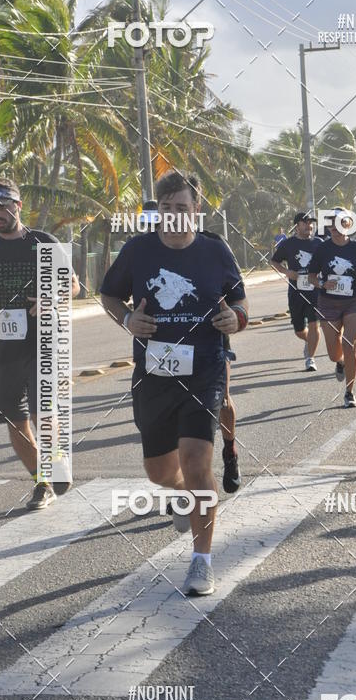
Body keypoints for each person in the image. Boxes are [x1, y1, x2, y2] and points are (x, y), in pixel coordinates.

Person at [100, 171, 248, 597]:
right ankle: (180, 494)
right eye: (167, 209)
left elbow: (239, 303)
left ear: (196, 209)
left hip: (203, 369)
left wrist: (234, 319)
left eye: (182, 208)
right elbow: (109, 296)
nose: (175, 216)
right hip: (154, 374)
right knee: (161, 472)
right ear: (158, 211)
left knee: (198, 459)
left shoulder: (215, 250)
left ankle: (201, 561)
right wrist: (128, 320)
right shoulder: (138, 250)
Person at [0, 178, 79, 509]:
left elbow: (73, 286)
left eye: (2, 206)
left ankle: (56, 458)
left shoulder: (43, 241)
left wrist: (53, 298)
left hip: (43, 342)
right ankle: (41, 482)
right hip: (3, 347)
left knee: (43, 411)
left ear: (17, 205)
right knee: (13, 419)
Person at [308, 210, 356, 407]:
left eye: (339, 224)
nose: (334, 229)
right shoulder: (322, 249)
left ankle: (349, 392)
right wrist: (321, 284)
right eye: (331, 225)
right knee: (333, 354)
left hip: (354, 300)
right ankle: (341, 362)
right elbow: (312, 276)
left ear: (348, 224)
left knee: (349, 344)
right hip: (328, 303)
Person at [201, 227, 243, 493]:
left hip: (211, 336)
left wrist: (235, 314)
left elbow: (239, 297)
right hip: (169, 343)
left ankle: (230, 450)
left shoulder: (213, 243)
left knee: (222, 400)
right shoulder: (148, 250)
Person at [271, 212, 322, 371]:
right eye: (305, 222)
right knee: (299, 330)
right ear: (297, 226)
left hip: (315, 292)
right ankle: (309, 341)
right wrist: (287, 272)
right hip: (296, 292)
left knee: (314, 326)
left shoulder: (319, 243)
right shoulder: (288, 244)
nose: (309, 225)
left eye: (311, 223)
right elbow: (273, 261)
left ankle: (310, 358)